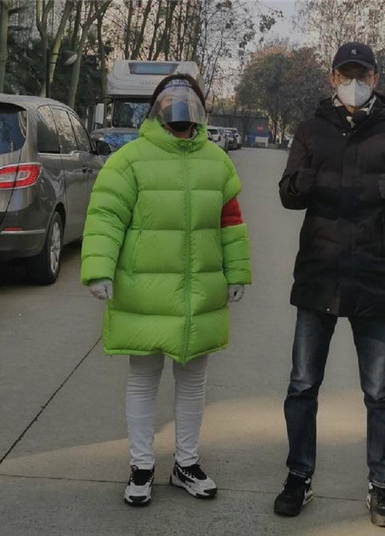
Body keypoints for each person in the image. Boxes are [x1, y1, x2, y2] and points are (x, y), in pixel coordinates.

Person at [80, 73, 251, 507]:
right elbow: (106, 216)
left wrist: (237, 273)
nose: (180, 113)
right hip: (145, 292)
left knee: (193, 383)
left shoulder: (218, 162)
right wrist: (99, 269)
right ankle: (141, 467)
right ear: (156, 109)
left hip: (198, 293)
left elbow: (230, 223)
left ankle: (186, 464)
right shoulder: (129, 160)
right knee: (143, 380)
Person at [274, 42, 385, 528]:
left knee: (380, 391)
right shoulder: (310, 129)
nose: (354, 83)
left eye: (362, 75)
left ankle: (382, 486)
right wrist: (303, 180)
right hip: (319, 274)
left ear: (375, 78)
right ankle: (298, 476)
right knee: (302, 385)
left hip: (374, 276)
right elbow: (287, 195)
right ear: (332, 78)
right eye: (346, 75)